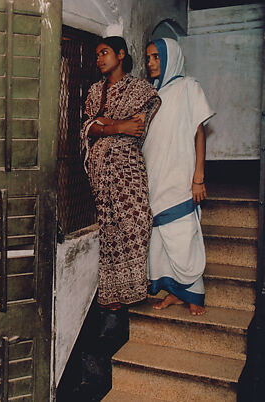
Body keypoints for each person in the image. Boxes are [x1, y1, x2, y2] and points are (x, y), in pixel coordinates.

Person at [81, 36, 161, 309]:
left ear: (121, 54)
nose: (100, 59)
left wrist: (105, 123)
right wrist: (117, 127)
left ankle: (134, 289)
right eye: (96, 55)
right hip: (101, 169)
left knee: (138, 221)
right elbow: (88, 127)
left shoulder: (140, 90)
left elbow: (138, 125)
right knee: (110, 228)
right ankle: (113, 296)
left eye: (105, 53)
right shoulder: (94, 91)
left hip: (128, 166)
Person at [144, 38, 214, 316]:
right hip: (155, 177)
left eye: (155, 57)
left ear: (170, 57)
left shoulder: (189, 87)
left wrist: (199, 176)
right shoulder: (151, 94)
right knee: (160, 238)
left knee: (183, 234)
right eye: (148, 58)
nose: (150, 63)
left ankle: (195, 292)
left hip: (181, 177)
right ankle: (174, 293)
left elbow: (199, 132)